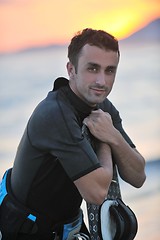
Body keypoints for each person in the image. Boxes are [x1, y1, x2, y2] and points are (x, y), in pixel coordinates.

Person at [0, 28, 146, 240]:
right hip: (26, 229)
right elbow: (96, 194)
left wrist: (112, 135)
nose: (102, 82)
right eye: (92, 69)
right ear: (71, 70)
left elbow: (138, 175)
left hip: (68, 226)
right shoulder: (55, 114)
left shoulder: (103, 107)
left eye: (110, 70)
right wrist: (106, 140)